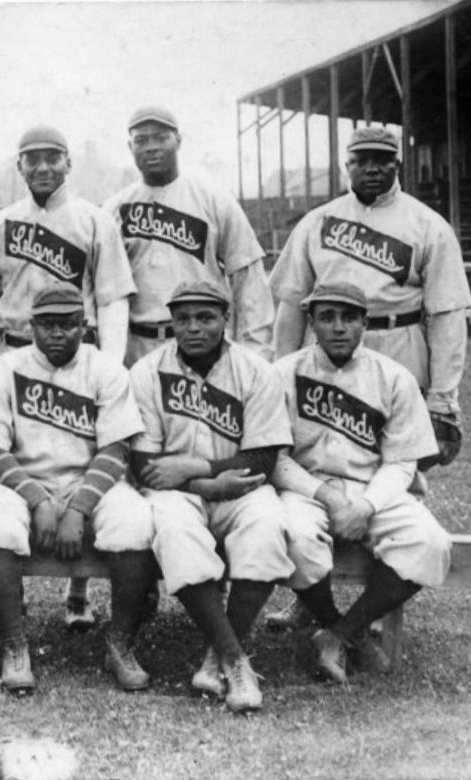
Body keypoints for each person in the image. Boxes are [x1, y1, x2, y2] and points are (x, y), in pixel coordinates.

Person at [267, 125, 471, 629]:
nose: (372, 168)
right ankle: (308, 598)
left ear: (397, 164)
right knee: (317, 461)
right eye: (363, 160)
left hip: (399, 341)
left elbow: (447, 315)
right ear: (347, 164)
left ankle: (377, 608)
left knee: (390, 475)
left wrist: (444, 396)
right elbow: (292, 303)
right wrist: (278, 370)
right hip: (327, 343)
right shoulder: (317, 222)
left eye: (383, 159)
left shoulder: (428, 225)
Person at [0, 125, 136, 629]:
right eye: (32, 159)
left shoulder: (94, 219)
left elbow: (111, 297)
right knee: (27, 463)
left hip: (76, 354)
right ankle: (14, 601)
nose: (43, 167)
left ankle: (77, 592)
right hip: (16, 352)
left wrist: (108, 363)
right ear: (19, 166)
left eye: (53, 158)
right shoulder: (1, 223)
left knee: (81, 456)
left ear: (69, 163)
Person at [0, 285, 155, 694]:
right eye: (49, 325)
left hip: (88, 478)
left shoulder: (106, 369)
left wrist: (79, 507)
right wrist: (37, 499)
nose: (59, 334)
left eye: (69, 325)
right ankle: (13, 644)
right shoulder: (5, 369)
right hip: (20, 480)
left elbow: (115, 449)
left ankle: (120, 643)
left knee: (136, 521)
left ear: (85, 326)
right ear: (32, 326)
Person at [128, 279, 295, 713]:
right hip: (176, 492)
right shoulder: (147, 371)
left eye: (205, 317)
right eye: (182, 318)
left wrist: (199, 468)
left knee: (267, 526)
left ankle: (214, 656)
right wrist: (202, 485)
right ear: (171, 323)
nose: (193, 328)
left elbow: (262, 456)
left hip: (239, 486)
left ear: (226, 319)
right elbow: (145, 462)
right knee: (175, 529)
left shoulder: (256, 370)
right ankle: (235, 659)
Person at [271, 282, 450, 682]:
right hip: (307, 487)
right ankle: (346, 633)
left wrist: (365, 506)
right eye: (327, 317)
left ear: (364, 323)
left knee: (429, 543)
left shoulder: (393, 377)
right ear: (312, 322)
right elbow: (274, 460)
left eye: (349, 318)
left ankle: (339, 634)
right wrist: (330, 500)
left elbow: (402, 462)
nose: (338, 327)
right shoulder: (282, 373)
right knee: (293, 536)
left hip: (373, 487)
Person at [103, 106, 273, 364]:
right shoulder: (114, 209)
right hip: (138, 345)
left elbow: (248, 280)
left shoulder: (214, 200)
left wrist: (254, 355)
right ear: (130, 147)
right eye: (141, 140)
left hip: (204, 346)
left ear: (178, 141)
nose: (151, 147)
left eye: (161, 138)